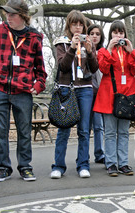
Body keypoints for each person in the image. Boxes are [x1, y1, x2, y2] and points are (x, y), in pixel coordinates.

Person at [0, 0, 47, 182]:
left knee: (24, 131)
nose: (8, 17)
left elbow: (41, 69)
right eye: (7, 13)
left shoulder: (34, 37)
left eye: (12, 14)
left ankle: (25, 167)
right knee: (1, 131)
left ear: (23, 16)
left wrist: (39, 84)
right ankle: (2, 168)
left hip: (23, 91)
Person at [50, 10, 98, 179]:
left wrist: (90, 51)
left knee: (84, 130)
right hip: (66, 89)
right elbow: (63, 66)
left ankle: (83, 164)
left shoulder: (87, 42)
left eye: (81, 24)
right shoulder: (62, 43)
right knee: (64, 128)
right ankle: (58, 166)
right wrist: (71, 48)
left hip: (85, 89)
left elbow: (94, 69)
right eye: (74, 24)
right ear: (69, 26)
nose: (78, 28)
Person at [93, 20, 135, 177]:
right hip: (109, 97)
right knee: (110, 132)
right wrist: (109, 49)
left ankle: (124, 163)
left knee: (124, 132)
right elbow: (104, 68)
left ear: (125, 35)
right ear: (110, 34)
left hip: (126, 96)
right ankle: (111, 163)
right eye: (115, 32)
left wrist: (132, 51)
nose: (118, 35)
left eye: (121, 33)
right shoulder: (103, 51)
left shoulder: (129, 52)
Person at [87, 24, 106, 165]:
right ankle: (83, 155)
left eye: (97, 34)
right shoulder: (83, 49)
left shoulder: (103, 52)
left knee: (99, 126)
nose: (94, 36)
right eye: (92, 33)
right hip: (86, 92)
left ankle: (99, 153)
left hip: (99, 93)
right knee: (85, 126)